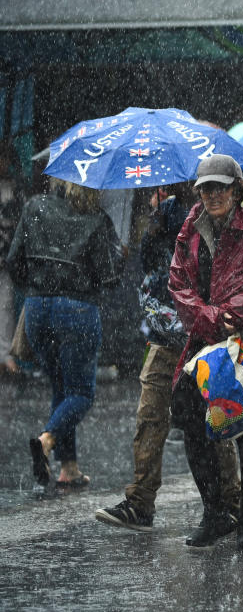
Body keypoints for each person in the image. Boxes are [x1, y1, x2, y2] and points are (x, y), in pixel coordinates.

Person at [95, 182, 241, 531]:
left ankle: (230, 503)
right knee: (151, 415)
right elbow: (153, 274)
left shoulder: (217, 219)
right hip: (165, 335)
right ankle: (140, 502)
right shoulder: (161, 217)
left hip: (204, 335)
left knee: (216, 418)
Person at [168, 154, 243, 550]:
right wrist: (214, 318)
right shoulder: (190, 228)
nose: (213, 194)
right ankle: (215, 511)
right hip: (206, 344)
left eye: (221, 187)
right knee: (190, 419)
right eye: (206, 188)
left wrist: (231, 314)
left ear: (237, 189)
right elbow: (179, 285)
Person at [8, 180, 123, 494]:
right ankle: (45, 440)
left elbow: (13, 261)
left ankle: (68, 468)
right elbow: (109, 275)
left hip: (37, 307)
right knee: (81, 394)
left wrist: (35, 289)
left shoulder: (35, 206)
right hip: (78, 311)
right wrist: (119, 254)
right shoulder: (97, 218)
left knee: (60, 387)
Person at [0, 142, 24, 376]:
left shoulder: (14, 188)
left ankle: (5, 353)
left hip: (5, 255)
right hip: (6, 251)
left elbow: (17, 218)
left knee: (6, 305)